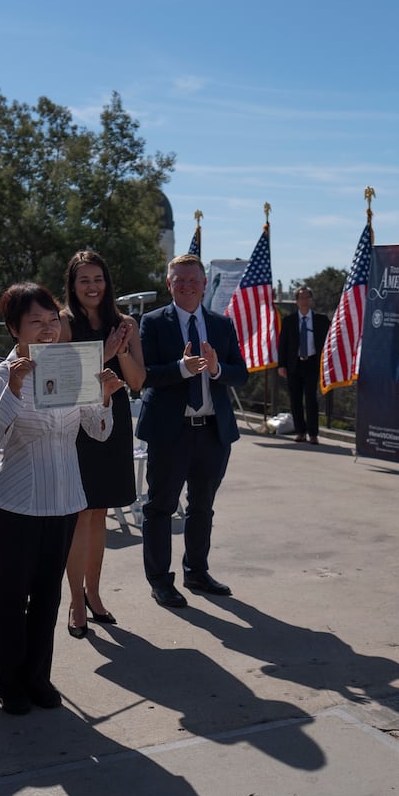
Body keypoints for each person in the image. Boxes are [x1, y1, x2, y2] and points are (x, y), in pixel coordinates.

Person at [0, 283, 121, 713]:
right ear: (13, 329)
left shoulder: (70, 366)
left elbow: (98, 431)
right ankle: (10, 685)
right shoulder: (0, 376)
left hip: (63, 503)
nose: (47, 330)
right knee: (11, 599)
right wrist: (16, 387)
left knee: (49, 596)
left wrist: (105, 399)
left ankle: (38, 678)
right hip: (16, 506)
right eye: (35, 322)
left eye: (52, 320)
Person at [137, 254, 249, 608]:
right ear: (169, 285)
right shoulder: (152, 323)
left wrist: (217, 370)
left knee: (203, 507)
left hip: (213, 432)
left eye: (193, 280)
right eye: (179, 280)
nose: (186, 285)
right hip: (170, 432)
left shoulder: (221, 324)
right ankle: (160, 580)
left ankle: (197, 572)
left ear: (204, 285)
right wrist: (180, 369)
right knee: (161, 507)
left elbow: (241, 373)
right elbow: (144, 376)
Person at [61, 250, 143, 636]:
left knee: (99, 514)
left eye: (98, 279)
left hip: (115, 418)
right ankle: (75, 602)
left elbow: (138, 381)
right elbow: (58, 382)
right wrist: (103, 354)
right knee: (80, 512)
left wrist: (122, 350)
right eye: (84, 280)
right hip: (78, 423)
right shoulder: (62, 322)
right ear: (72, 285)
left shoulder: (124, 322)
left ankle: (94, 594)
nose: (92, 286)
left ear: (107, 282)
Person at [277, 286, 329, 444]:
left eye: (307, 297)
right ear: (297, 301)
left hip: (313, 363)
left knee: (311, 399)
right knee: (295, 399)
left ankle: (313, 434)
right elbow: (283, 345)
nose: (304, 301)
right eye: (301, 298)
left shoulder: (321, 320)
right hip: (294, 364)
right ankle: (300, 432)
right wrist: (281, 365)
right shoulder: (289, 321)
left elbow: (329, 342)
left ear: (311, 300)